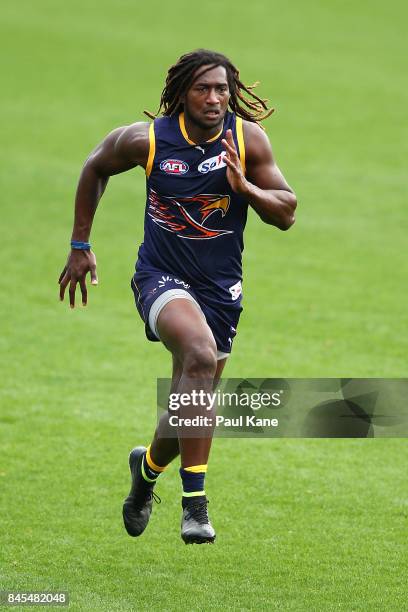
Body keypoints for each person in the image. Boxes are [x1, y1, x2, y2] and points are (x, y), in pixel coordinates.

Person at [58, 49, 297, 545]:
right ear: (182, 94)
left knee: (188, 403)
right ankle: (196, 505)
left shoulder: (247, 140)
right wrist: (80, 245)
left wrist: (244, 187)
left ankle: (144, 473)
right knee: (198, 354)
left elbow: (287, 212)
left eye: (222, 89)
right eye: (202, 89)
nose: (214, 99)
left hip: (221, 291)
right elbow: (94, 166)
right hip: (160, 278)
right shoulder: (148, 139)